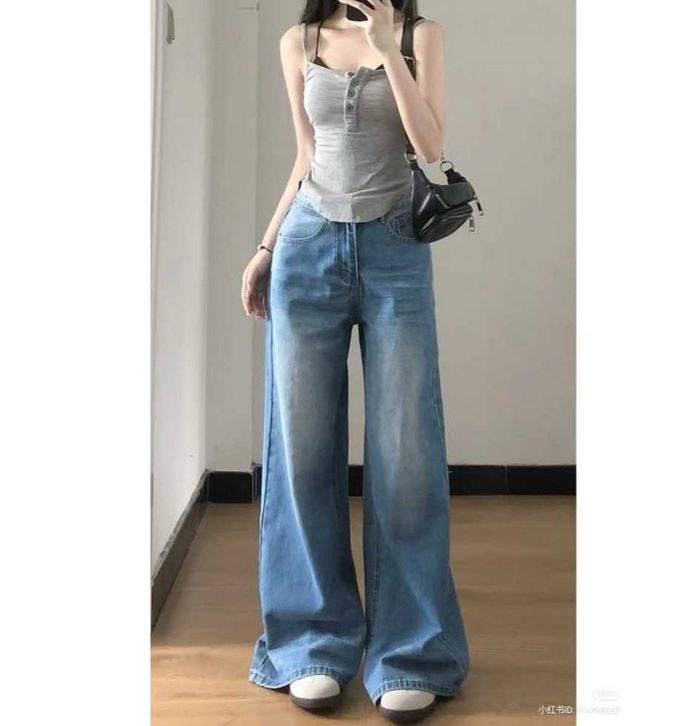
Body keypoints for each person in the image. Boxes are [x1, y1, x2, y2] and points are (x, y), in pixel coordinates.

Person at [240, 1, 469, 721]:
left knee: (406, 452)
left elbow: (429, 144)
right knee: (301, 450)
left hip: (396, 248)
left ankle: (411, 652)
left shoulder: (419, 35)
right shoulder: (300, 40)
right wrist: (266, 247)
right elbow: (305, 155)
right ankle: (311, 642)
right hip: (307, 248)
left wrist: (387, 48)